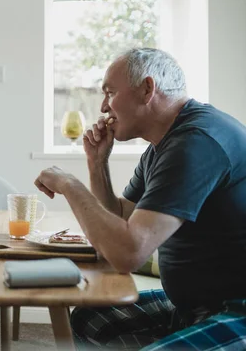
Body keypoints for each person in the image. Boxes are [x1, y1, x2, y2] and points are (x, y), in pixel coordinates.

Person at [34, 48, 246, 350]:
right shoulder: (162, 146)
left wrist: (69, 185)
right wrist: (97, 165)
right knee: (88, 320)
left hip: (236, 309)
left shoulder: (196, 143)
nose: (104, 107)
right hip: (190, 308)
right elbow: (120, 218)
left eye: (110, 92)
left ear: (147, 89)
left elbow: (127, 253)